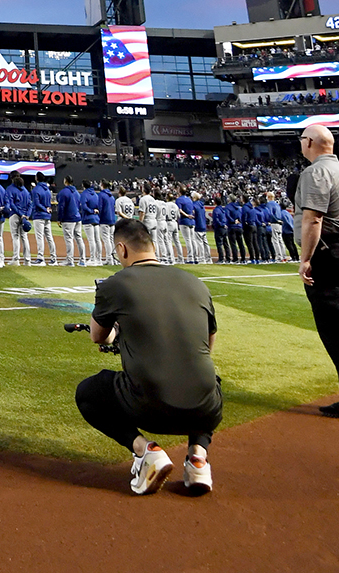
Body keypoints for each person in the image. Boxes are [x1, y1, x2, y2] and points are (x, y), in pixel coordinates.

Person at [75, 218, 222, 495]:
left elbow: (98, 336)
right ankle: (198, 459)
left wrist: (116, 335)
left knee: (88, 392)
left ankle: (146, 451)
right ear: (152, 245)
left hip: (151, 408)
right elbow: (208, 340)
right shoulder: (195, 283)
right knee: (207, 379)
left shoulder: (116, 283)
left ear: (122, 249)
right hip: (205, 409)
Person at [296, 125, 339, 419]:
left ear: (309, 142)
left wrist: (305, 259)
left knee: (337, 330)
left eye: (301, 140)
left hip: (330, 255)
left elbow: (313, 218)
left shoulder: (315, 172)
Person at [57, 174, 86, 268]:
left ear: (66, 181)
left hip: (68, 218)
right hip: (77, 217)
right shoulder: (77, 193)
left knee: (69, 239)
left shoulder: (64, 192)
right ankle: (82, 260)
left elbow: (61, 207)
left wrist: (59, 219)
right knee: (79, 238)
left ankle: (70, 260)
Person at [5, 172, 32, 267]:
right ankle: (27, 260)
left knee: (15, 237)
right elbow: (30, 204)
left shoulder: (10, 189)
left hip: (15, 215)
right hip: (24, 216)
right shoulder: (25, 190)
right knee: (24, 237)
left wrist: (20, 214)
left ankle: (16, 259)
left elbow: (11, 204)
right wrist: (26, 215)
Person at [30, 175, 56, 265]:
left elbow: (36, 203)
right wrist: (47, 210)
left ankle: (40, 258)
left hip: (39, 215)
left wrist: (44, 209)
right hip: (47, 216)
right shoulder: (47, 189)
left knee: (40, 237)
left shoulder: (36, 189)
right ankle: (53, 258)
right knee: (49, 237)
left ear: (36, 179)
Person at [79, 179, 101, 267]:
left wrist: (91, 211)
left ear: (83, 186)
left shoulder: (84, 194)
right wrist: (95, 211)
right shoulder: (96, 194)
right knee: (97, 239)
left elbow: (84, 206)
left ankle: (92, 258)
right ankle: (98, 258)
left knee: (91, 240)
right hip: (96, 218)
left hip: (88, 218)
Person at [98, 182, 116, 265]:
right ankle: (113, 258)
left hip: (105, 219)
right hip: (112, 219)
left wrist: (99, 218)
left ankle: (109, 259)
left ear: (102, 185)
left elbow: (100, 207)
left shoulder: (101, 195)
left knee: (107, 240)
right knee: (111, 240)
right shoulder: (111, 196)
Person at [264, 191, 286, 262]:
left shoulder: (269, 204)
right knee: (280, 240)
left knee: (275, 240)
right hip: (279, 223)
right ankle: (284, 256)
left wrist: (273, 220)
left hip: (274, 223)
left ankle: (279, 257)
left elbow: (270, 214)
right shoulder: (277, 204)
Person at [176, 189, 197, 264]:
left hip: (184, 221)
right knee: (193, 240)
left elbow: (179, 210)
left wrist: (187, 215)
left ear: (180, 192)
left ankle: (190, 258)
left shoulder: (179, 200)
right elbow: (193, 210)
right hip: (192, 221)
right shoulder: (189, 199)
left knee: (188, 240)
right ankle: (195, 257)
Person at [191, 192, 211, 264]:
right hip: (203, 225)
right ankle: (208, 259)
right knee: (205, 243)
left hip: (198, 225)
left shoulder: (194, 205)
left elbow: (193, 214)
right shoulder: (202, 205)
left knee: (200, 243)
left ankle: (202, 259)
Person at [224, 195, 245, 264]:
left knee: (233, 244)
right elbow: (241, 216)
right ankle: (243, 258)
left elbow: (227, 215)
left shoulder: (228, 207)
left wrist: (233, 221)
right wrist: (239, 221)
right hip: (239, 226)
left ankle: (235, 258)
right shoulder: (239, 207)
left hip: (232, 226)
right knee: (241, 243)